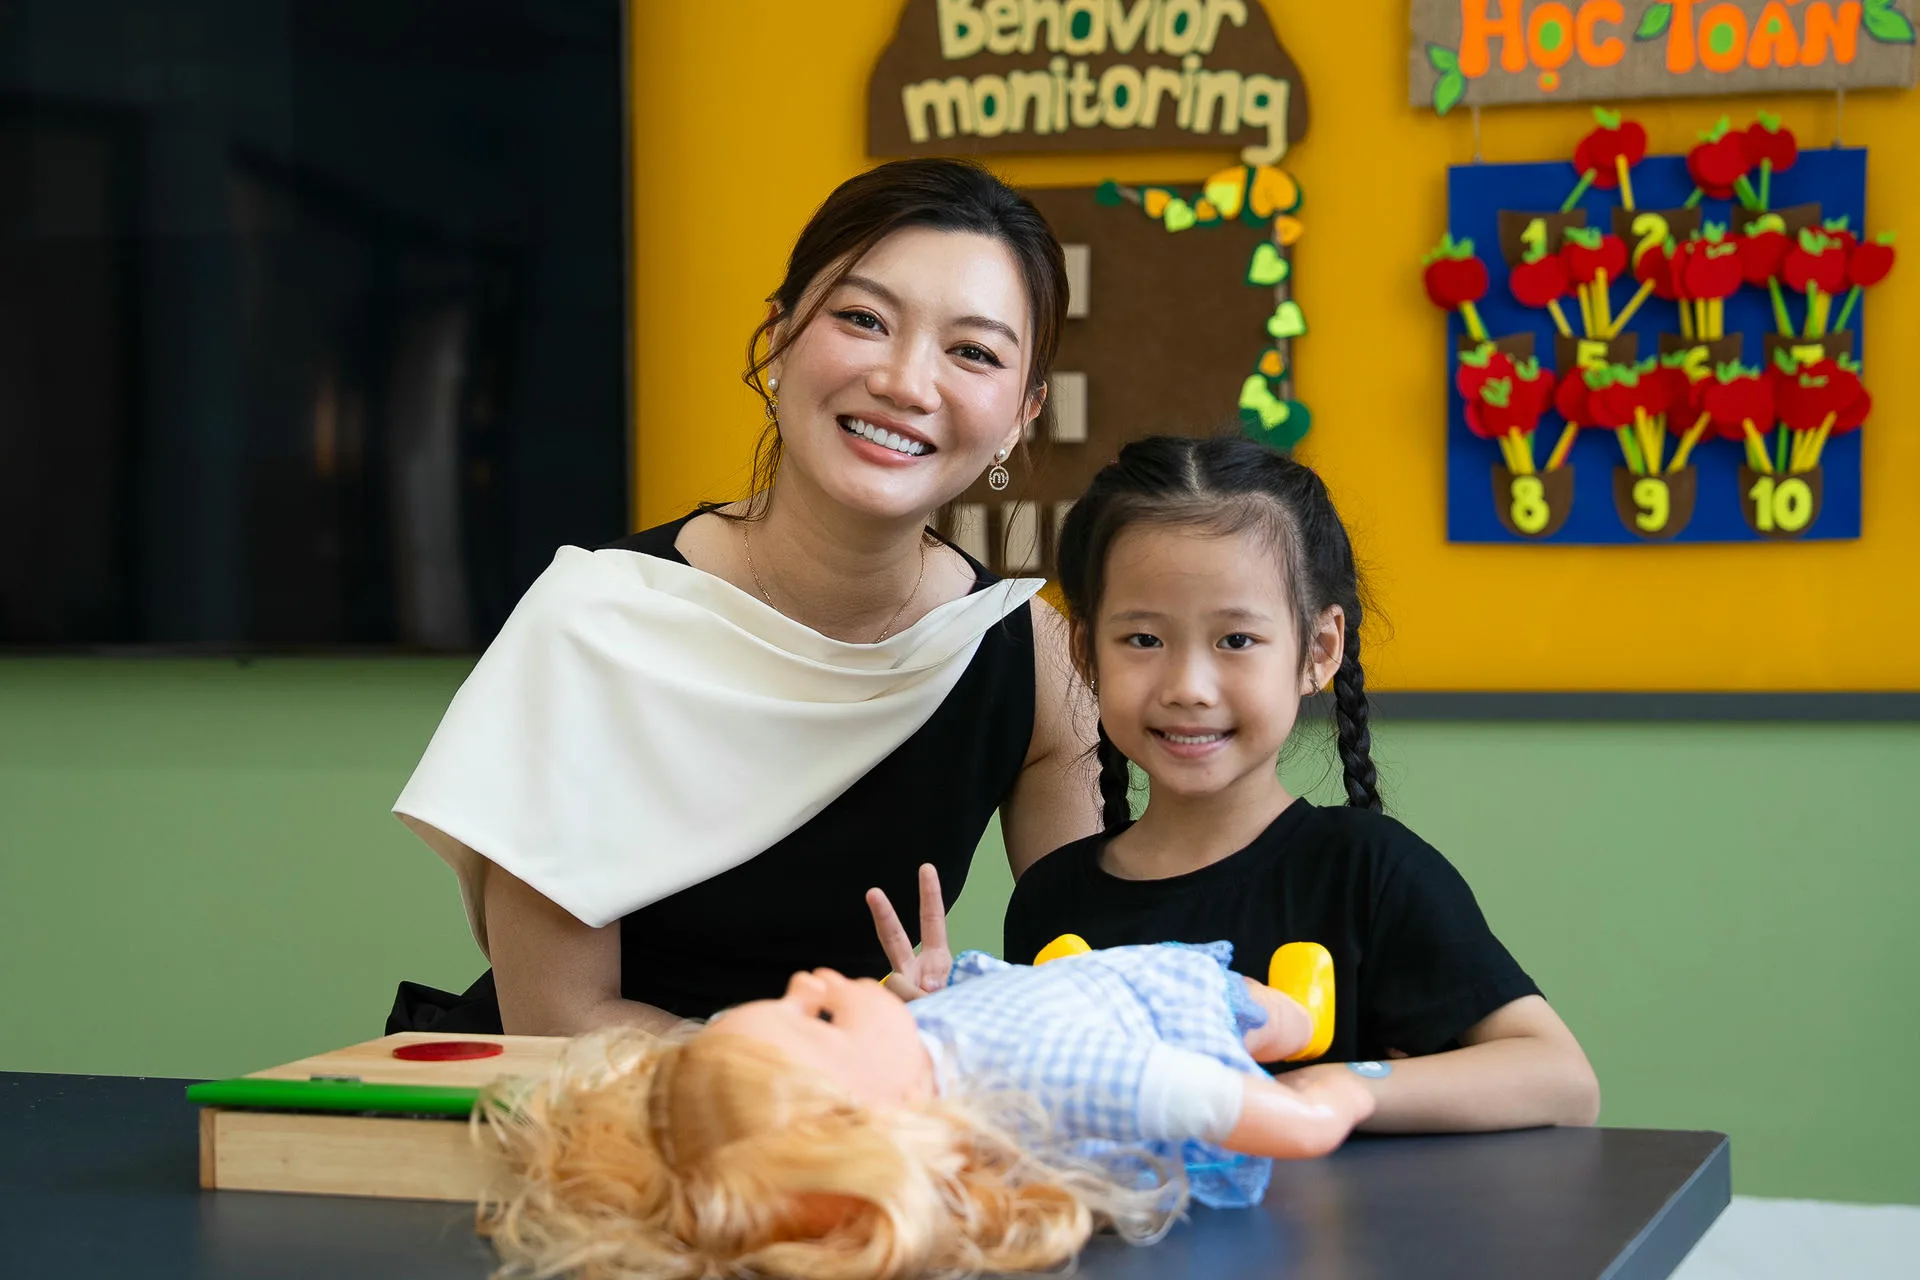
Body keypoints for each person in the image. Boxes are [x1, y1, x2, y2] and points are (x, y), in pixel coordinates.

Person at [388, 158, 1098, 1036]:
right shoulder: (599, 618)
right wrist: (846, 1056)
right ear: (779, 338)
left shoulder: (1032, 657)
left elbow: (1097, 992)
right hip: (590, 1110)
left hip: (843, 1106)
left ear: (1023, 415)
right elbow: (559, 1020)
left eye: (974, 353)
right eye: (864, 319)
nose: (907, 383)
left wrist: (950, 1036)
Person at [999, 435, 1601, 1132]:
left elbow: (1563, 1081)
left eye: (1235, 640)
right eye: (1143, 640)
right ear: (1086, 653)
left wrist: (1328, 1089)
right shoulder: (1050, 900)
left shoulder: (1370, 872)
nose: (1189, 687)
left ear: (1318, 650)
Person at [474, 943, 1374, 1280]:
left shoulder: (915, 1052)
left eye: (786, 999)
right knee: (1257, 1011)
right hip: (1163, 1004)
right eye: (818, 1018)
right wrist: (1332, 1099)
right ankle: (1303, 1014)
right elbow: (1203, 1095)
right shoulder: (1052, 1070)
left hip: (1070, 986)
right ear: (878, 1115)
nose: (807, 979)